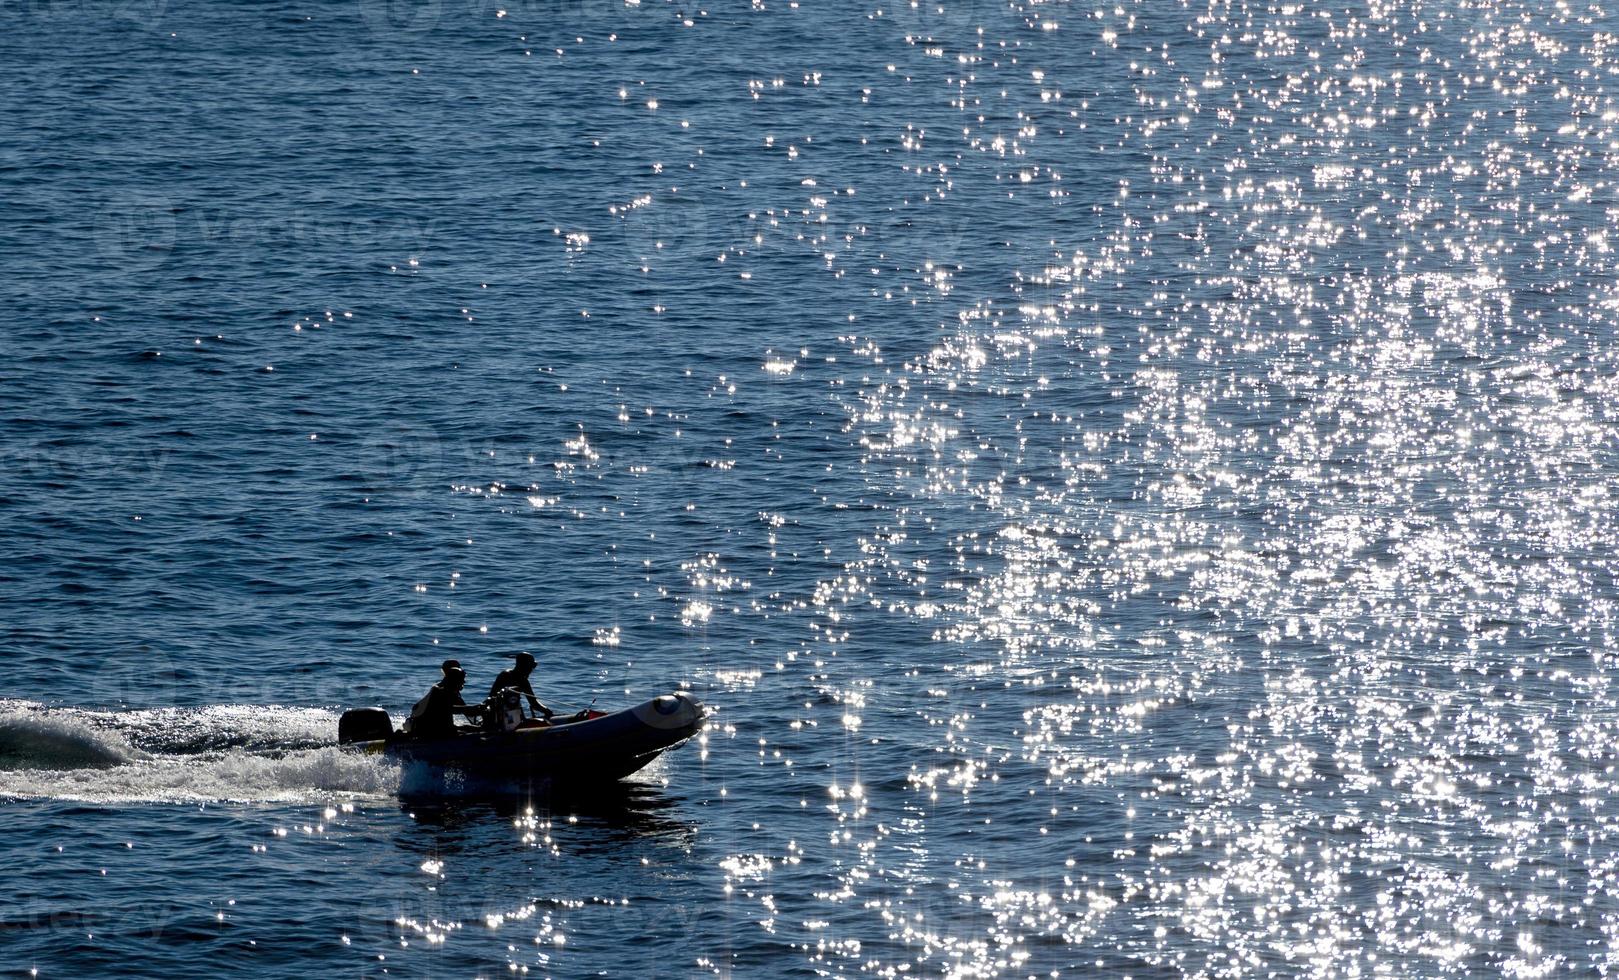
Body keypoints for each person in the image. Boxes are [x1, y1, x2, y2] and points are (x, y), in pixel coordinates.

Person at [402, 665, 483, 738]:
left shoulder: (453, 693)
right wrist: (471, 709)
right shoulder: (438, 691)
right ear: (453, 680)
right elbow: (449, 709)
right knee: (466, 729)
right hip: (426, 730)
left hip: (436, 727)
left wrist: (482, 708)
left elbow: (468, 712)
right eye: (461, 679)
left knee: (469, 728)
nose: (464, 682)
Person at [488, 652, 552, 720]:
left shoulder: (524, 681)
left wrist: (547, 711)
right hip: (496, 713)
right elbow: (492, 698)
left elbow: (534, 703)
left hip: (512, 713)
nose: (531, 670)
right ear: (523, 666)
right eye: (530, 667)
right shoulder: (506, 675)